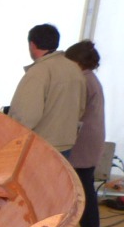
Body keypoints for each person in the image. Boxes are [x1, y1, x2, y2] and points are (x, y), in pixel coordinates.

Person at [8, 24, 85, 153]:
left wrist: (10, 137)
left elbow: (26, 115)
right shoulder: (74, 69)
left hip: (41, 146)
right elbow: (81, 108)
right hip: (66, 143)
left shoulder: (39, 71)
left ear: (32, 44)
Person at [64, 40, 105, 227]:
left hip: (83, 141)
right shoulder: (91, 78)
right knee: (86, 185)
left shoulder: (83, 80)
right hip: (91, 138)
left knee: (82, 188)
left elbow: (76, 111)